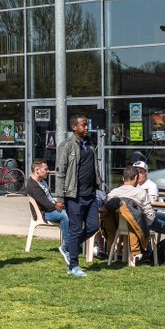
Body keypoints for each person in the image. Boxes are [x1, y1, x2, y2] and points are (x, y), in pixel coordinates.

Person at [55, 115, 103, 278]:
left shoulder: (90, 144)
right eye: (83, 125)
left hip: (90, 195)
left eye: (87, 124)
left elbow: (94, 166)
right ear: (74, 127)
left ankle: (68, 247)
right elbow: (61, 172)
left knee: (93, 226)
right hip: (73, 195)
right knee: (75, 230)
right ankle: (73, 266)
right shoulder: (67, 146)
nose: (87, 127)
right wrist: (60, 197)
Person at [100, 166, 156, 262]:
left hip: (116, 228)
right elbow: (150, 217)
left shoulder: (112, 193)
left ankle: (113, 255)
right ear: (136, 178)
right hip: (136, 227)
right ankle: (145, 253)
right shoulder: (141, 193)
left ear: (123, 178)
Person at [25, 159, 70, 265]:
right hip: (43, 214)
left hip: (50, 209)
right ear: (37, 170)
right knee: (64, 216)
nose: (48, 171)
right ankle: (68, 246)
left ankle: (77, 244)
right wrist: (59, 205)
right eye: (45, 169)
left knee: (74, 212)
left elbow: (50, 201)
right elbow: (47, 205)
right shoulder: (32, 185)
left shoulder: (41, 181)